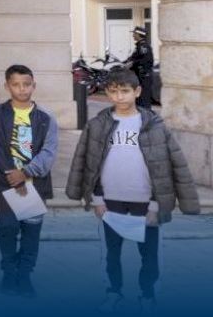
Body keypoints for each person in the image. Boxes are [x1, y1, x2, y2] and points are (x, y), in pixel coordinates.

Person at [66, 70, 199, 312]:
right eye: (114, 91)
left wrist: (156, 204)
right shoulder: (97, 125)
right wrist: (97, 198)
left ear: (137, 92)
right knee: (110, 253)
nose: (119, 96)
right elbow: (87, 161)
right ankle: (113, 292)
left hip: (145, 201)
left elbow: (167, 165)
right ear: (108, 93)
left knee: (149, 254)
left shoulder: (154, 126)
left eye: (125, 91)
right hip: (110, 200)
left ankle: (147, 294)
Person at [0, 64, 58, 298]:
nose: (21, 89)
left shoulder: (45, 117)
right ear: (7, 86)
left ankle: (24, 274)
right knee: (8, 227)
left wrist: (26, 172)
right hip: (6, 181)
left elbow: (49, 151)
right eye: (16, 85)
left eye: (26, 84)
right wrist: (13, 175)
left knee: (31, 230)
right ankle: (9, 273)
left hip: (35, 182)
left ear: (33, 85)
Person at [127, 26, 154, 109]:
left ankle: (146, 115)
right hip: (139, 76)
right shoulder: (139, 46)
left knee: (144, 99)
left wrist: (132, 64)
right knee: (139, 98)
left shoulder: (144, 46)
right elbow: (133, 58)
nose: (133, 35)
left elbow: (146, 60)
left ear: (139, 35)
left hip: (143, 76)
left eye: (134, 33)